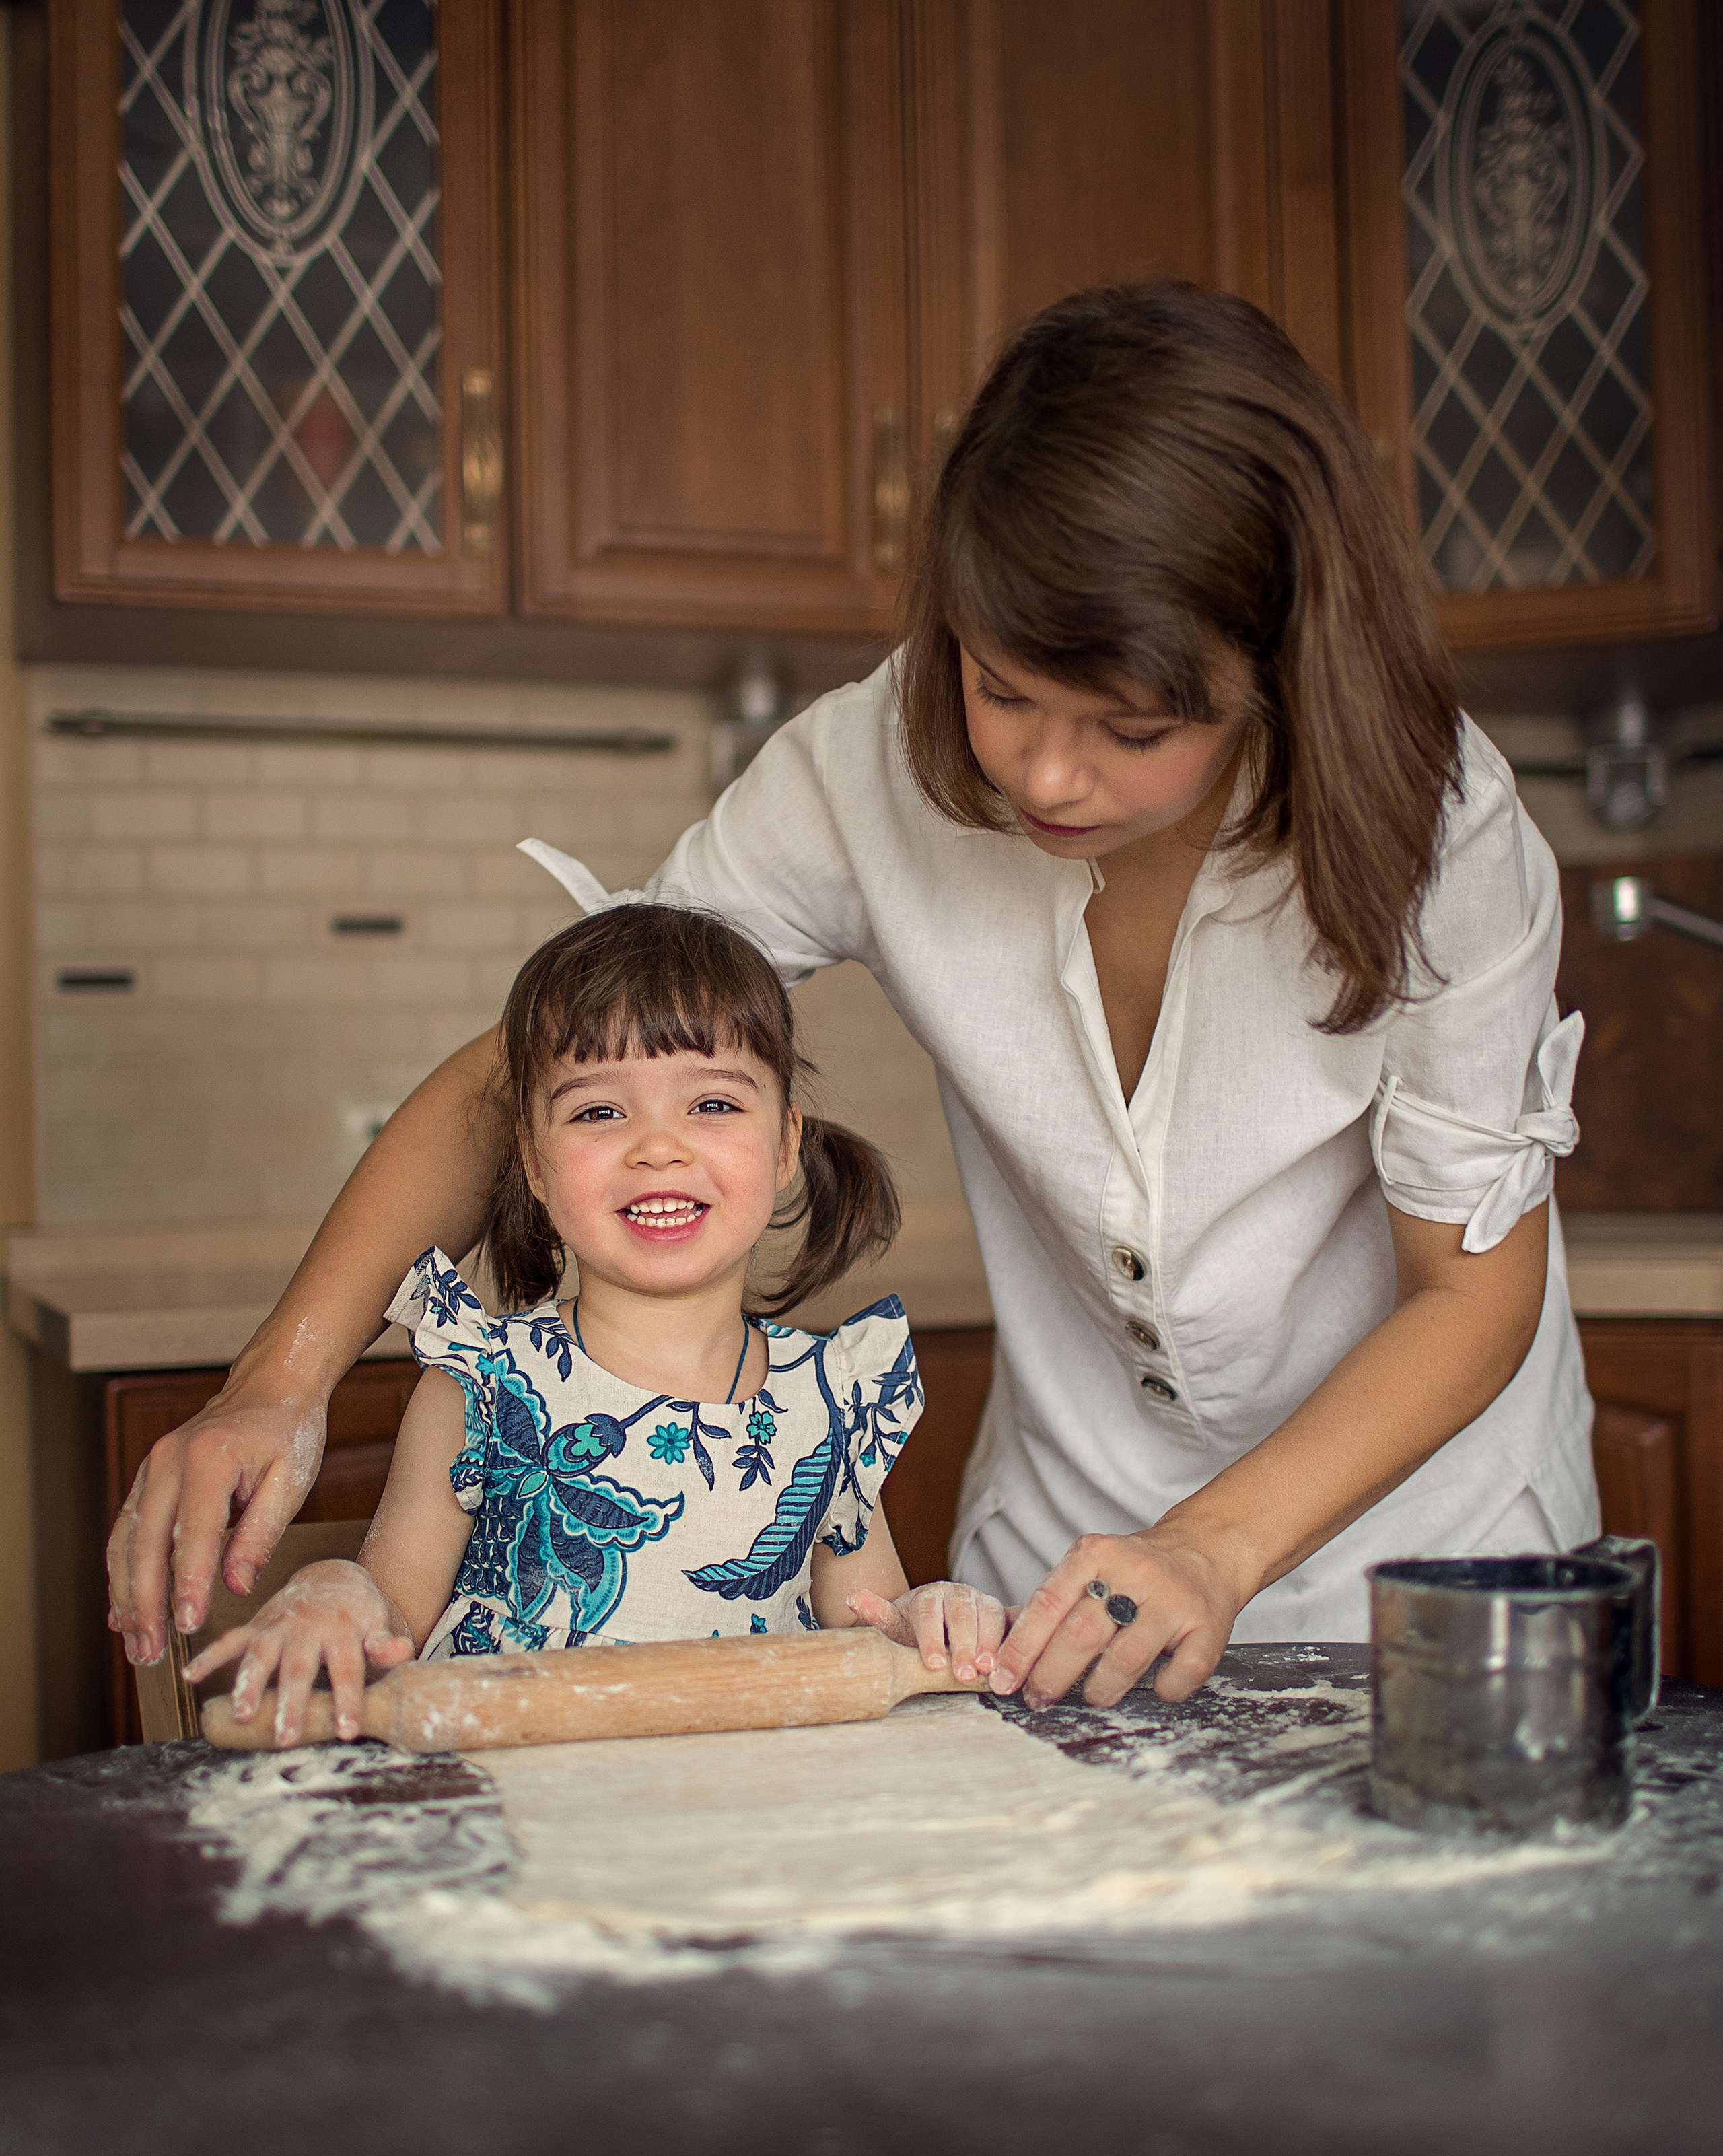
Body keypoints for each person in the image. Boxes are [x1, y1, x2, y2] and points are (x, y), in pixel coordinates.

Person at [112, 279, 1592, 1719]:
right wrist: (281, 1375)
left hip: (1429, 1567)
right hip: (1057, 1576)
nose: (1044, 775)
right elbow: (563, 1055)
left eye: (1132, 727)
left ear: (1274, 670)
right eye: (1000, 689)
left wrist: (1214, 1543)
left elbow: (1468, 1293)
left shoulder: (1441, 837)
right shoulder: (858, 767)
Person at [182, 905, 1004, 1747]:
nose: (658, 1146)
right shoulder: (484, 1388)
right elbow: (389, 1606)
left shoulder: (833, 1397)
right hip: (517, 1815)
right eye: (598, 1113)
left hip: (752, 1830)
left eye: (713, 1103)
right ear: (533, 1164)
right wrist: (336, 1590)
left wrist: (929, 1615)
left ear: (786, 1144)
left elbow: (873, 1628)